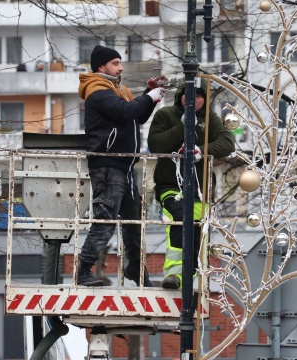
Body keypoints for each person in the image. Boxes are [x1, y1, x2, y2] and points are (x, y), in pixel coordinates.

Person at [76, 45, 166, 287]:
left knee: (133, 221)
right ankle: (83, 269)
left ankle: (135, 268)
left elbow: (136, 115)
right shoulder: (97, 90)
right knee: (105, 219)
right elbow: (127, 112)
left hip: (124, 165)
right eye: (115, 63)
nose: (121, 67)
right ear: (101, 67)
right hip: (108, 164)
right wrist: (149, 96)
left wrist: (149, 95)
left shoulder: (118, 91)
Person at [147, 79, 235, 290]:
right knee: (179, 219)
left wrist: (200, 151)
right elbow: (155, 143)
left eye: (199, 96)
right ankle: (174, 274)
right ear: (180, 96)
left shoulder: (210, 119)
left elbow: (228, 143)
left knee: (196, 231)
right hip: (170, 184)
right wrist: (182, 126)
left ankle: (187, 276)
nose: (194, 99)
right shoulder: (165, 115)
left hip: (200, 188)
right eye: (190, 94)